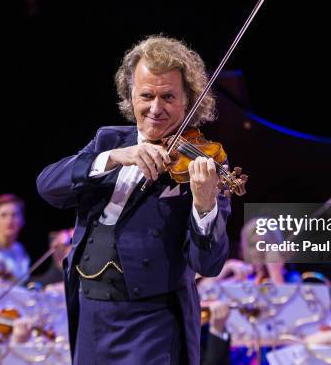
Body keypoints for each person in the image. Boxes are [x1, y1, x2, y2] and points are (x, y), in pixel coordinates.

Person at [37, 35, 230, 364]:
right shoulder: (109, 140)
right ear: (131, 96)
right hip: (90, 314)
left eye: (168, 96)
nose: (156, 109)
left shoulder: (205, 163)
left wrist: (203, 205)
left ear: (188, 101)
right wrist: (115, 157)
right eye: (147, 96)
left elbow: (208, 264)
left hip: (151, 324)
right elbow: (48, 186)